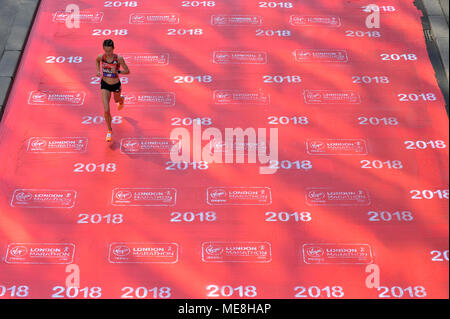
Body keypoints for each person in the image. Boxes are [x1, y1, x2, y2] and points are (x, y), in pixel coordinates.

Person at [96, 39, 130, 142]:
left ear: (113, 49)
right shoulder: (101, 57)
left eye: (110, 51)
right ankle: (109, 130)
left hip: (115, 84)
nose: (108, 53)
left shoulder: (118, 58)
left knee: (117, 100)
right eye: (106, 51)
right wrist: (98, 71)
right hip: (105, 85)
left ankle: (121, 100)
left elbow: (127, 71)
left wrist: (118, 71)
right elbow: (97, 61)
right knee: (106, 109)